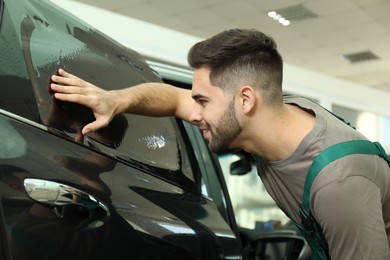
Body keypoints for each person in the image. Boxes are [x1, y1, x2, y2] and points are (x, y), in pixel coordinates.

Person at [50, 28, 390, 259]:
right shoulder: (272, 116)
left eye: (203, 101)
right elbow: (172, 98)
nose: (193, 113)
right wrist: (115, 100)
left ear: (245, 100)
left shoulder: (339, 185)